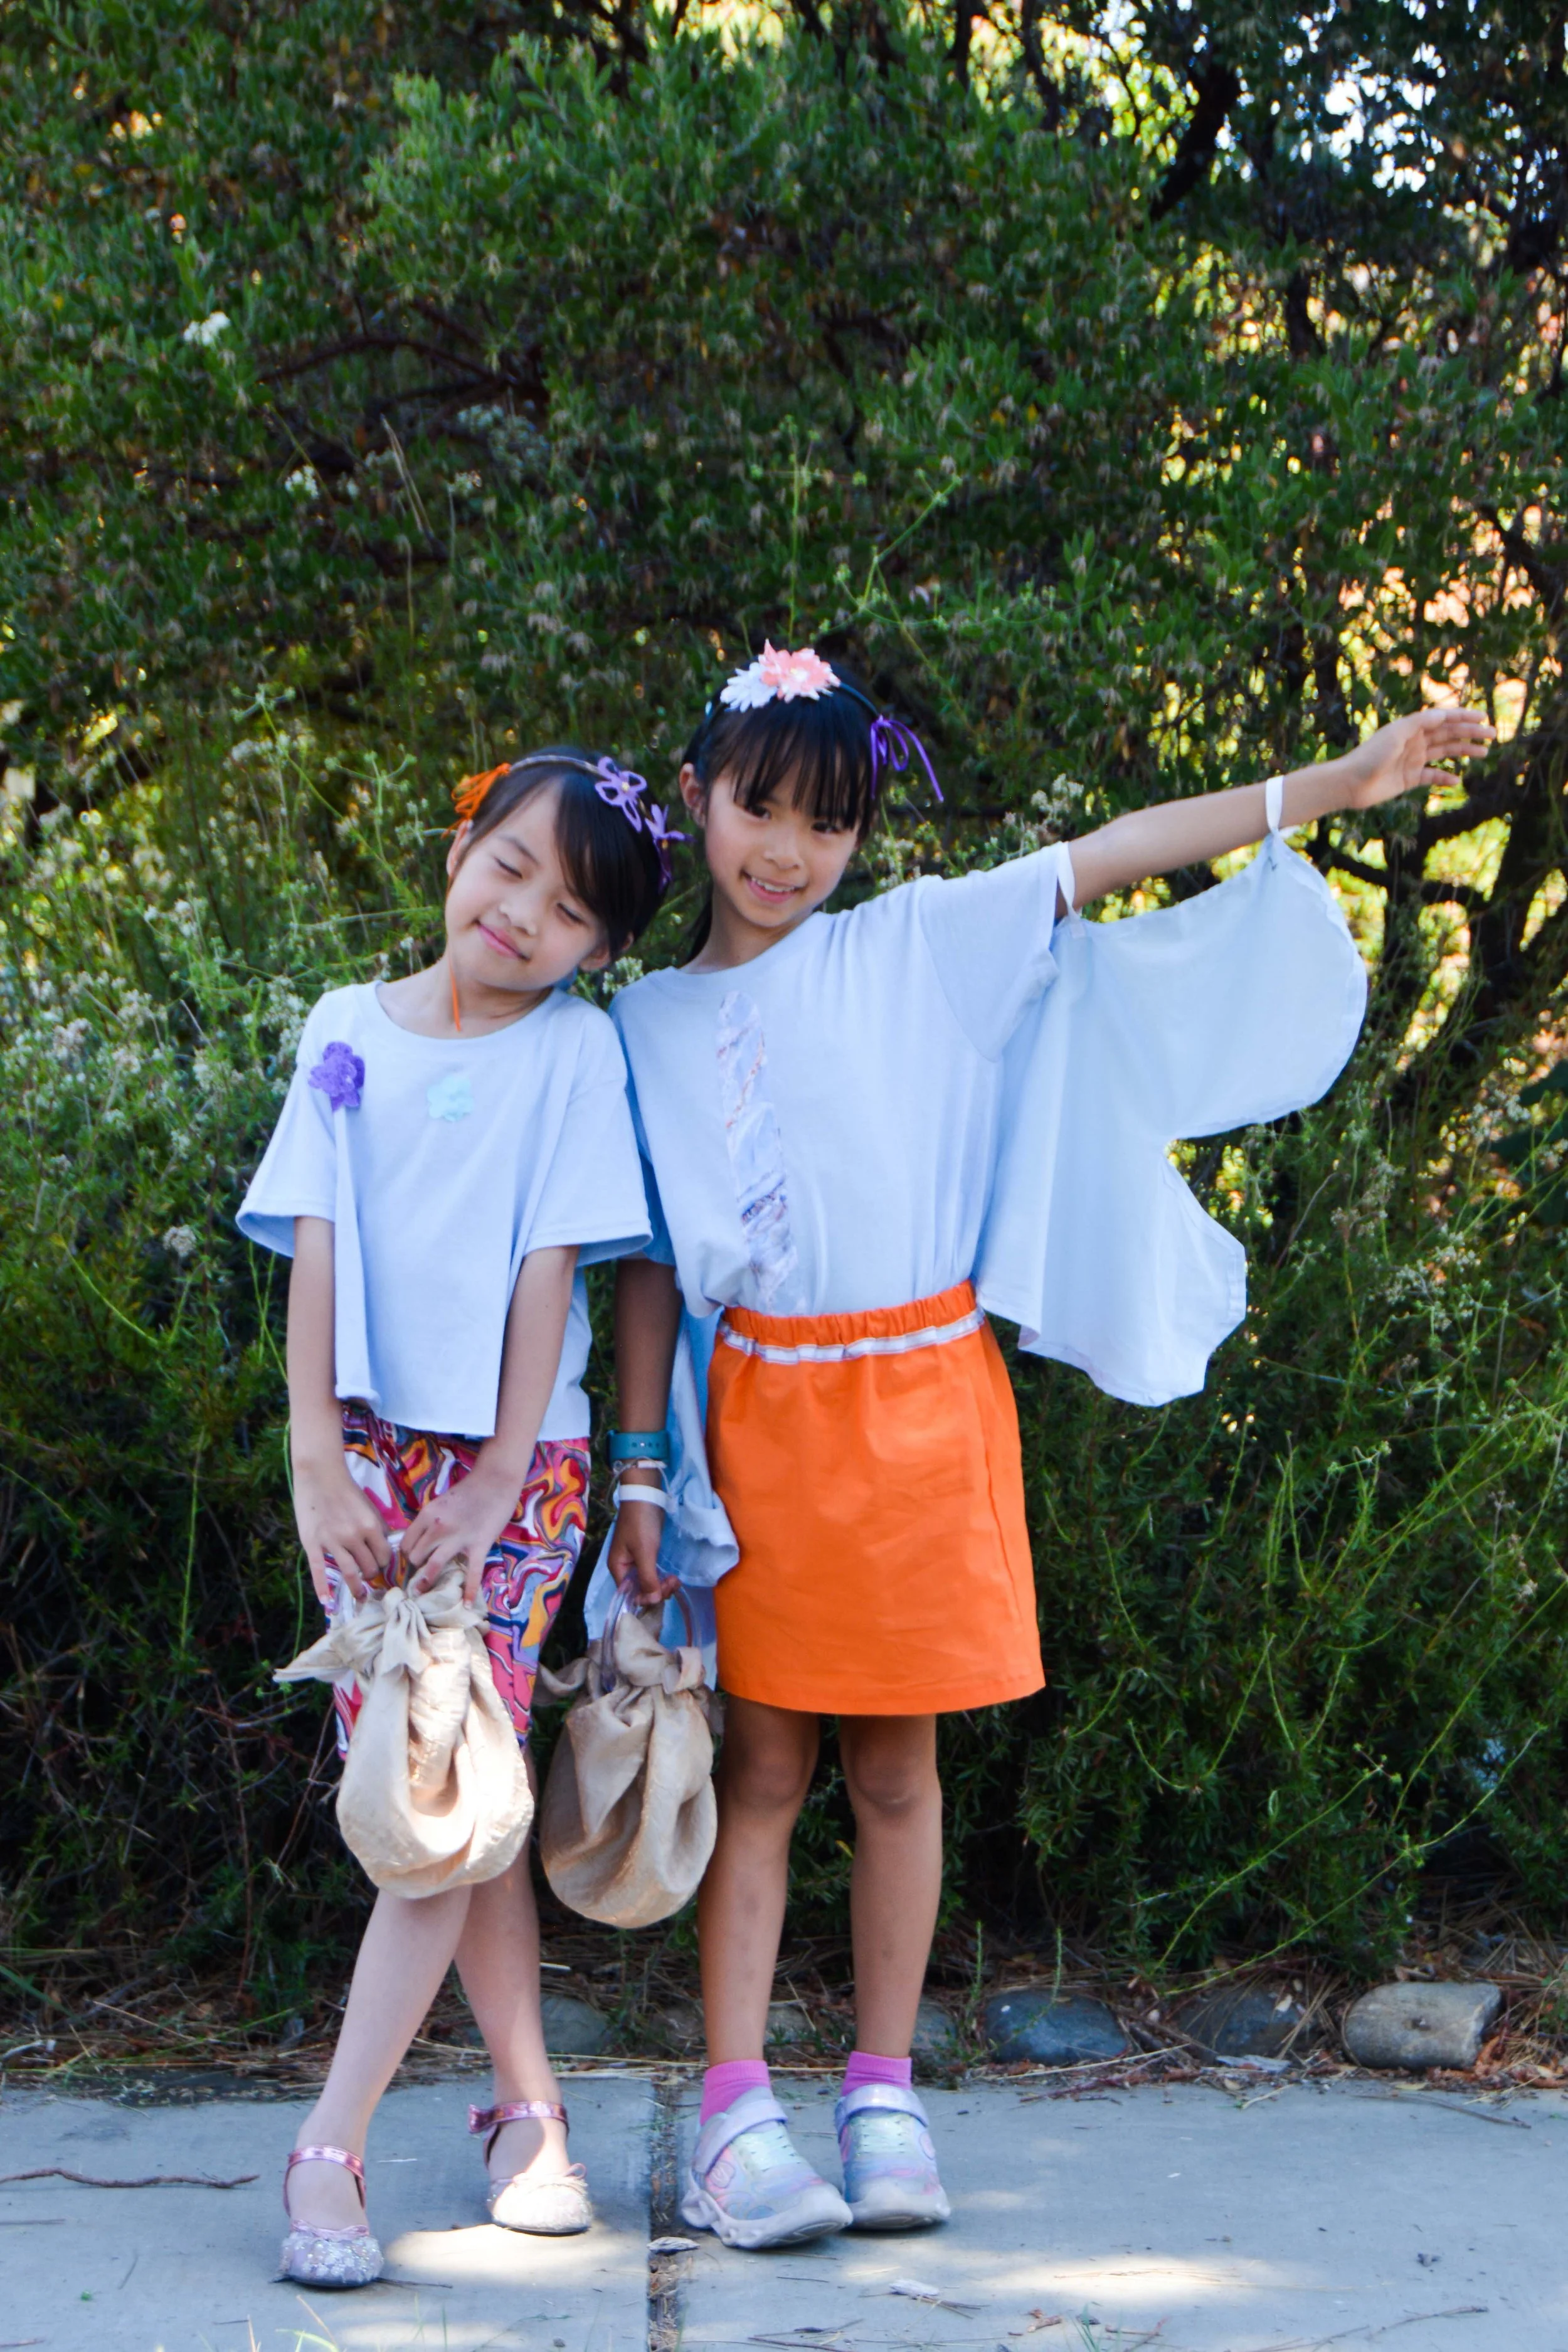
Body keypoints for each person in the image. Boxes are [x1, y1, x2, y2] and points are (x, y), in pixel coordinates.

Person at [605, 642, 1493, 2249]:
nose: (785, 852)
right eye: (756, 808)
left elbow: (1118, 849)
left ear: (865, 838)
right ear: (697, 797)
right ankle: (733, 2117)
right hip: (763, 1422)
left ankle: (881, 2093)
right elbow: (654, 1259)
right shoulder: (645, 1019)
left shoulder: (919, 945)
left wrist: (1336, 782)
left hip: (926, 1407)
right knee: (761, 1769)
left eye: (827, 822)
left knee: (895, 1769)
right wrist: (639, 1469)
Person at [238, 748, 677, 2287]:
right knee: (455, 1782)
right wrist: (311, 1460)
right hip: (367, 1470)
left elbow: (550, 1266)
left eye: (568, 913)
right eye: (509, 868)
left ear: (599, 953)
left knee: (432, 1805)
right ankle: (527, 2110)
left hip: (516, 1474)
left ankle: (330, 2144)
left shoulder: (572, 1056)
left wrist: (499, 1480)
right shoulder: (343, 1032)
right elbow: (317, 1250)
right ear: (463, 844)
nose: (522, 916)